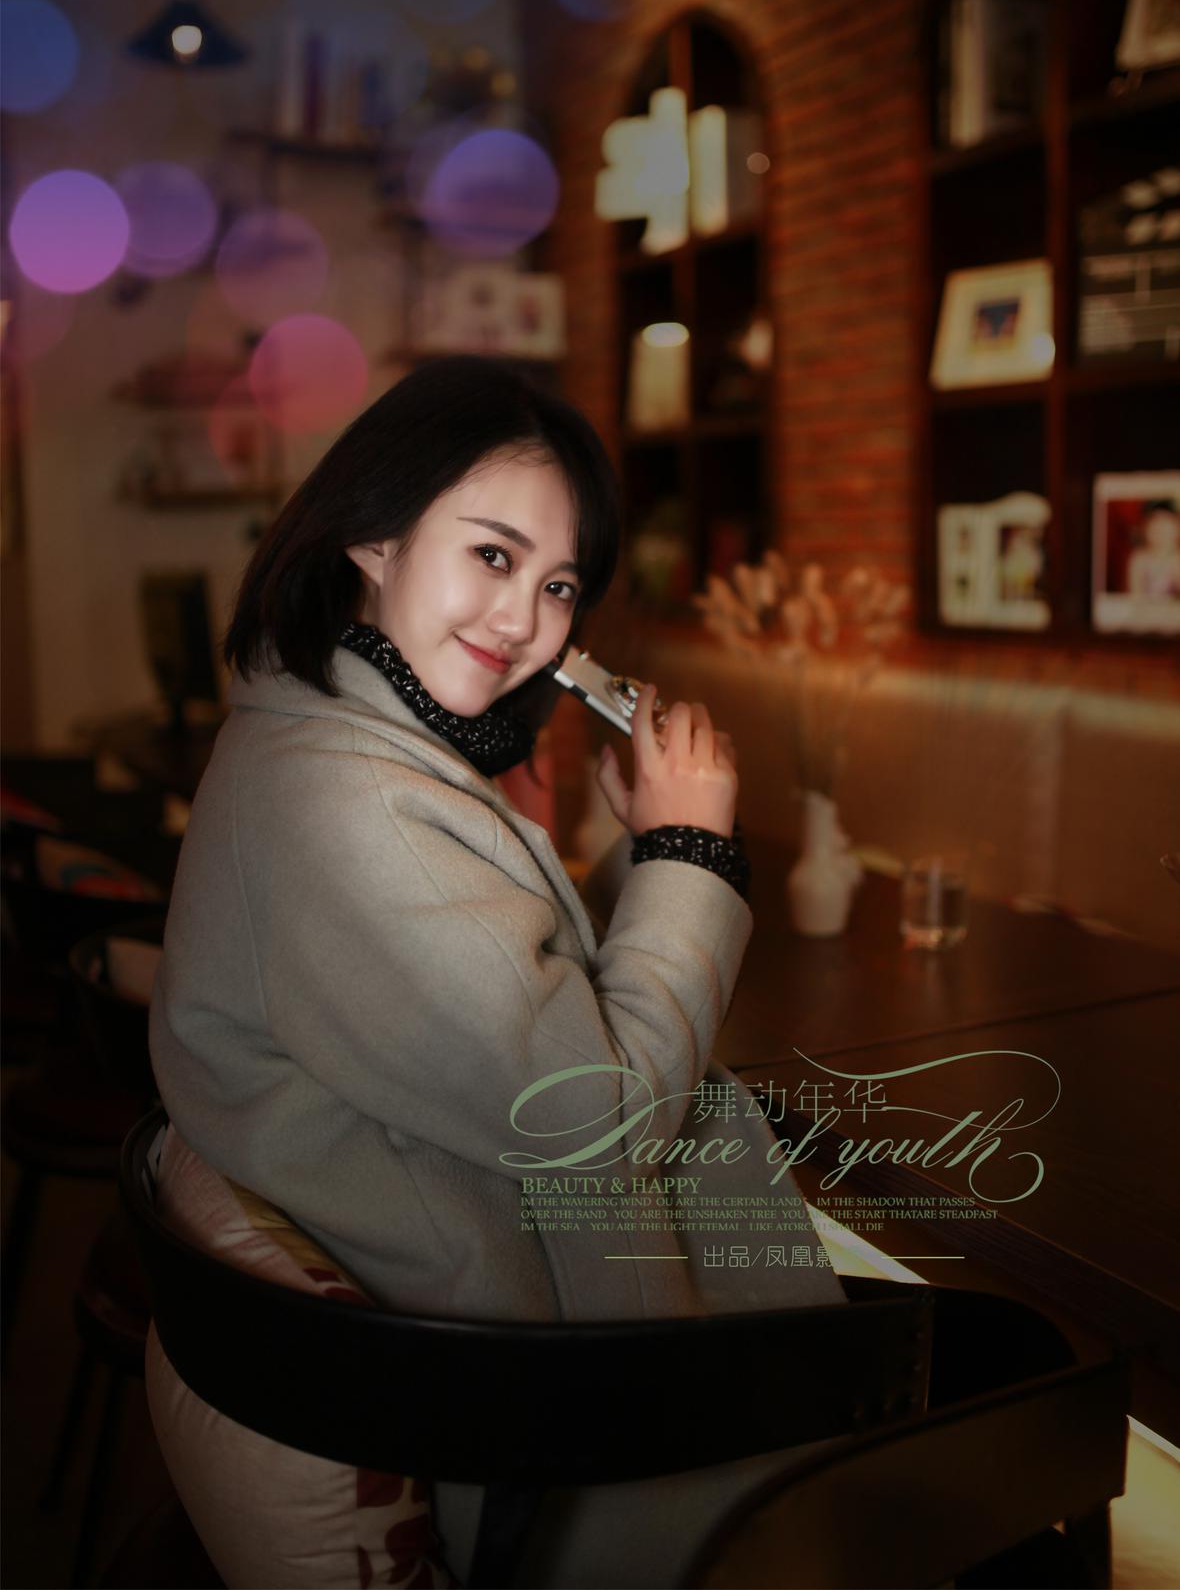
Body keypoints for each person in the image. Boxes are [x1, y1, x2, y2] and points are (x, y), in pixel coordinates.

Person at [145, 355, 848, 1589]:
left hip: (501, 1350)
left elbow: (514, 1010)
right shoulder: (354, 805)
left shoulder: (319, 736)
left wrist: (642, 844)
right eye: (491, 554)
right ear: (375, 535)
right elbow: (598, 1123)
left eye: (558, 583)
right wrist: (689, 852)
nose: (522, 620)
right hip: (551, 1428)